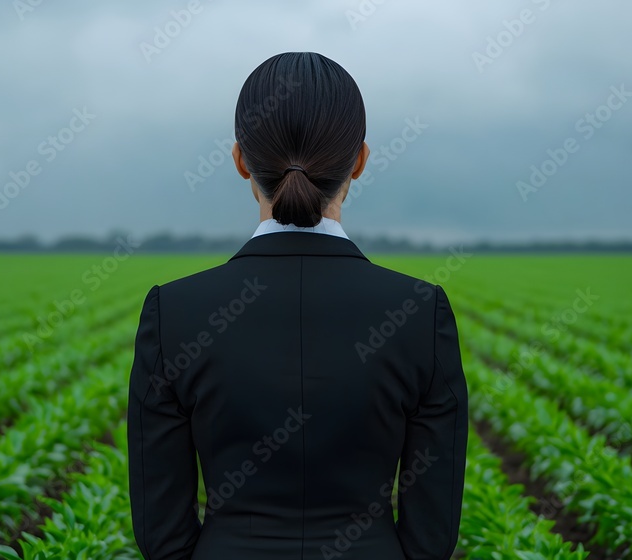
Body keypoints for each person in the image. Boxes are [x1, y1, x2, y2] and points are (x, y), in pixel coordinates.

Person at [128, 51, 468, 560]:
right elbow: (433, 532)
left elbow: (162, 532)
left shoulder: (173, 312)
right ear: (359, 160)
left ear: (241, 159)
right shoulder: (420, 312)